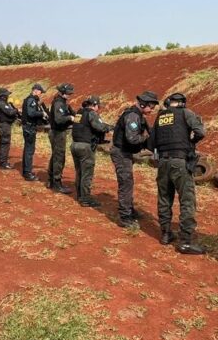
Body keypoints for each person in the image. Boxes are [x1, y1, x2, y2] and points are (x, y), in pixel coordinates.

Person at [153, 92, 206, 253]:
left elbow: (152, 141)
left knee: (164, 198)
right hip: (180, 162)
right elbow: (200, 132)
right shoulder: (186, 113)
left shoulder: (161, 116)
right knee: (187, 201)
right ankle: (186, 241)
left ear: (169, 102)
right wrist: (190, 143)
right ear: (182, 103)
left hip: (163, 162)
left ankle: (166, 234)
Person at [110, 91, 159, 229]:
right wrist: (146, 139)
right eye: (151, 107)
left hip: (125, 152)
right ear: (143, 104)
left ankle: (129, 209)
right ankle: (125, 216)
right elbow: (132, 139)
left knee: (128, 182)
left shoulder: (139, 115)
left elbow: (147, 131)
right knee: (126, 183)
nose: (152, 110)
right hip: (121, 152)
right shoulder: (132, 116)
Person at [70, 96, 113, 207]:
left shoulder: (79, 112)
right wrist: (110, 127)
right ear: (94, 105)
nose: (99, 109)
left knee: (79, 171)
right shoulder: (91, 113)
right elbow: (99, 127)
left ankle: (80, 195)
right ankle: (85, 198)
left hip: (75, 145)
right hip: (85, 146)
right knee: (87, 173)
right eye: (98, 106)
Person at [47, 83, 76, 192]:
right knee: (59, 157)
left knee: (56, 156)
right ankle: (57, 183)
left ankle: (51, 180)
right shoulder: (59, 103)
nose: (69, 95)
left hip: (57, 132)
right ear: (62, 92)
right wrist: (70, 117)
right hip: (57, 133)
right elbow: (59, 119)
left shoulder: (62, 102)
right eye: (68, 93)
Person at [20, 83, 48, 180]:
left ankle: (25, 170)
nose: (41, 94)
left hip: (28, 127)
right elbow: (31, 113)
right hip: (29, 128)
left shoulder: (30, 99)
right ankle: (28, 173)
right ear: (35, 91)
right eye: (40, 92)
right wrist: (41, 113)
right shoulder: (31, 100)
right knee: (29, 151)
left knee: (27, 149)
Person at [0, 87, 20, 169]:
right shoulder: (2, 103)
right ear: (4, 96)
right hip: (4, 125)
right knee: (5, 143)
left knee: (2, 142)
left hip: (4, 124)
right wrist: (17, 110)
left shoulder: (2, 102)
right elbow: (9, 112)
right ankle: (3, 163)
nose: (8, 96)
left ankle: (1, 158)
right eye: (7, 95)